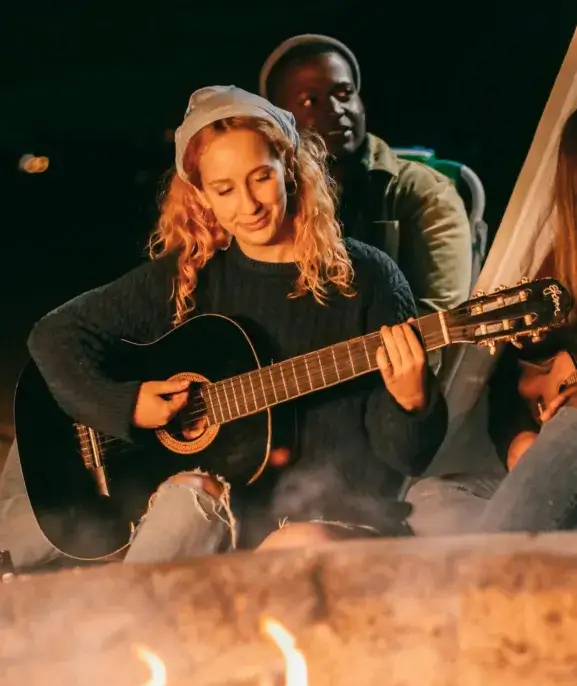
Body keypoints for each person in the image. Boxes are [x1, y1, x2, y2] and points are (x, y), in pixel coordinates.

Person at [0, 85, 448, 572]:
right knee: (51, 519)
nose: (249, 205)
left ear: (290, 171)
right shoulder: (189, 276)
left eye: (261, 178)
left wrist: (412, 403)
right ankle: (116, 634)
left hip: (328, 523)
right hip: (215, 517)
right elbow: (54, 336)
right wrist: (126, 404)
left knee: (294, 545)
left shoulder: (368, 280)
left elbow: (407, 460)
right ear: (200, 196)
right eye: (224, 189)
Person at [406, 108, 577, 536]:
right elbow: (506, 380)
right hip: (552, 464)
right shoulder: (559, 269)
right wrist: (518, 440)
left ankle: (491, 581)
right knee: (430, 498)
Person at [259, 34, 472, 316]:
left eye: (344, 93)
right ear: (278, 121)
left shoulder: (421, 191)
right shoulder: (270, 197)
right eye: (310, 100)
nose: (336, 109)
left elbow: (443, 317)